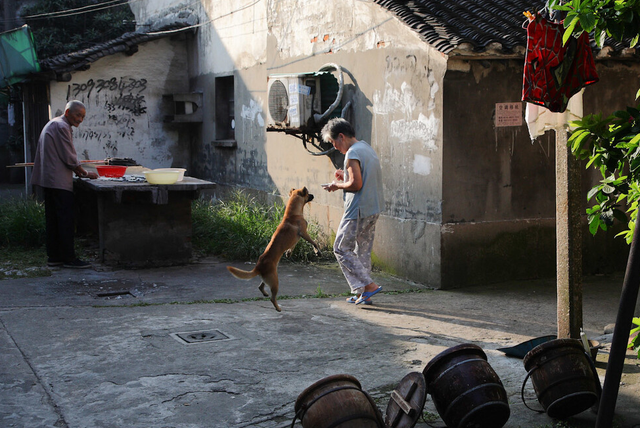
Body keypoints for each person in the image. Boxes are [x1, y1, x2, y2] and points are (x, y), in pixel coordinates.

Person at [321, 118, 384, 305]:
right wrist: (345, 175)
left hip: (357, 209)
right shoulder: (366, 148)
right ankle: (362, 293)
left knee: (340, 248)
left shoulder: (352, 153)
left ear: (341, 136)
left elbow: (356, 184)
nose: (335, 147)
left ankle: (369, 285)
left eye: (333, 142)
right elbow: (361, 176)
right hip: (373, 208)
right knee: (362, 250)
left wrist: (336, 184)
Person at [31, 100, 98, 269]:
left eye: (82, 116)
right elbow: (69, 156)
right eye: (78, 115)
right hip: (58, 181)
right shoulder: (61, 126)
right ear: (68, 113)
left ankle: (54, 258)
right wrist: (83, 172)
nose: (80, 120)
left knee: (53, 220)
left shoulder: (54, 123)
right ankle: (69, 258)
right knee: (65, 221)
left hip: (50, 180)